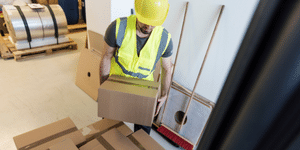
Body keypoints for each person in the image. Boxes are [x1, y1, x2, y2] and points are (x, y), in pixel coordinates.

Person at [100, 0, 173, 135]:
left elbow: (167, 69)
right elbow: (106, 57)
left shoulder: (164, 38)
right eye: (144, 20)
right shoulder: (118, 27)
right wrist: (103, 88)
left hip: (144, 90)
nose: (148, 26)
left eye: (153, 22)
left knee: (142, 134)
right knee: (109, 130)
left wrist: (164, 94)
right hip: (117, 85)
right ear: (137, 12)